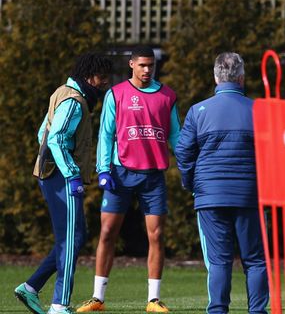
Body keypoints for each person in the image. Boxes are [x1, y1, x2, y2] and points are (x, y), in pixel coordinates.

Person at [77, 46, 180, 313]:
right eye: (142, 65)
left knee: (156, 236)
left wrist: (190, 166)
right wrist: (102, 170)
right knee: (108, 232)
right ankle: (98, 298)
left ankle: (154, 300)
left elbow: (177, 138)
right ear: (132, 64)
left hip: (153, 177)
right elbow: (106, 133)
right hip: (120, 174)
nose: (147, 70)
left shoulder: (167, 96)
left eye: (151, 66)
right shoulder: (116, 94)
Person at [14, 54, 113, 314]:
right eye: (102, 77)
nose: (105, 83)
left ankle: (31, 287)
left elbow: (42, 133)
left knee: (73, 238)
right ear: (89, 75)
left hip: (52, 175)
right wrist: (71, 174)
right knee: (71, 240)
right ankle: (60, 304)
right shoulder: (74, 101)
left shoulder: (63, 92)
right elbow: (56, 139)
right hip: (62, 178)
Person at [175, 52, 269, 314]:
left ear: (216, 77)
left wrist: (190, 182)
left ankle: (217, 310)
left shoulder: (198, 110)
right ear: (241, 78)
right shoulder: (259, 110)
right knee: (256, 260)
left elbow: (183, 152)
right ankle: (258, 311)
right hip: (250, 194)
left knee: (218, 261)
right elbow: (271, 156)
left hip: (210, 194)